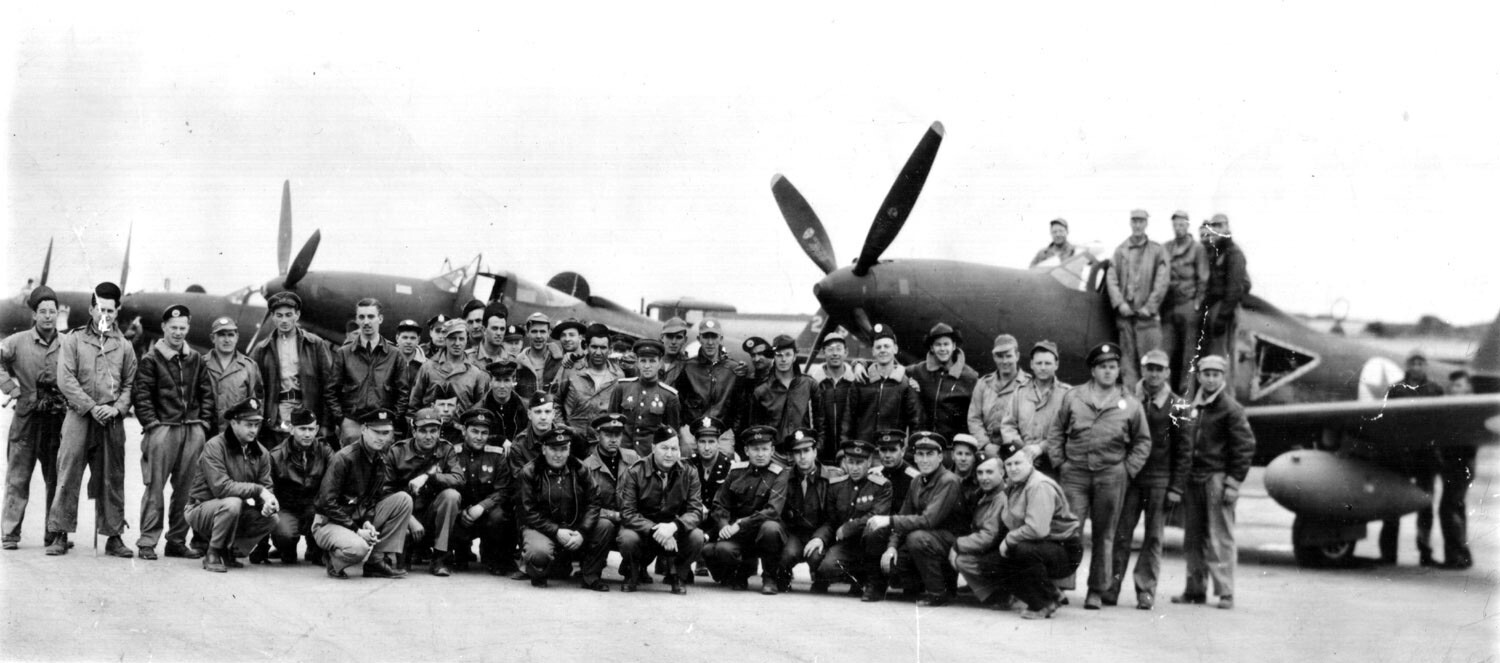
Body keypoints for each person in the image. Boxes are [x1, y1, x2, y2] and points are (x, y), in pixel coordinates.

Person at [1043, 342, 1152, 609]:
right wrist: (1061, 463)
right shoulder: (1074, 397)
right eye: (1102, 367)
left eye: (1112, 367)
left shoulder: (1130, 404)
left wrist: (1127, 469)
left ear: (1118, 371)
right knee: (1070, 530)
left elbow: (1142, 442)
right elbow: (1056, 431)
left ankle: (1096, 590)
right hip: (1075, 474)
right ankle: (1061, 585)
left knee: (1105, 534)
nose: (1108, 372)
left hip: (1111, 475)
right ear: (1093, 370)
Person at [45, 282, 136, 558]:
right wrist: (90, 406)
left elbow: (130, 385)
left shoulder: (125, 346)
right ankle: (59, 533)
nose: (105, 314)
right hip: (79, 417)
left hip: (110, 421)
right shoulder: (72, 340)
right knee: (68, 473)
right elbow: (65, 378)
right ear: (91, 309)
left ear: (117, 311)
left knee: (112, 476)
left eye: (110, 309)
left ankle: (113, 536)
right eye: (100, 308)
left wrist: (118, 408)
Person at [1106, 349, 1190, 609]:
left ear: (1167, 373)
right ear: (1142, 370)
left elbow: (1185, 450)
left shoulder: (1178, 405)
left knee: (1154, 538)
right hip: (1130, 479)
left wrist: (1176, 487)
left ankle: (1146, 590)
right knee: (1121, 535)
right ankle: (1111, 587)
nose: (1154, 374)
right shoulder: (1127, 399)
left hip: (1160, 481)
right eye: (1149, 368)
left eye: (1159, 369)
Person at [133, 304, 216, 560]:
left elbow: (206, 393)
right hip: (163, 430)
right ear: (164, 328)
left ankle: (177, 541)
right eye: (173, 328)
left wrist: (202, 423)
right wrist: (151, 424)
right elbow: (142, 395)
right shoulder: (151, 360)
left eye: (182, 328)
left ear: (188, 328)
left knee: (187, 490)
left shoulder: (195, 359)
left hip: (192, 430)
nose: (178, 333)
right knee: (154, 487)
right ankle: (148, 541)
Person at [1172, 354, 1255, 610]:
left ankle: (1225, 591)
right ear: (1199, 377)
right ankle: (1194, 589)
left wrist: (1233, 483)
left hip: (1217, 478)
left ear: (1223, 377)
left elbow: (1244, 446)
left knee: (1220, 537)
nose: (1210, 379)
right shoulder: (1193, 406)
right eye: (1206, 374)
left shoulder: (1230, 408)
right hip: (1194, 479)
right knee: (1193, 538)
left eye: (1215, 375)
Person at [864, 431, 964, 606]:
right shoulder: (917, 480)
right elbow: (904, 515)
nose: (924, 460)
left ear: (940, 456)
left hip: (949, 541)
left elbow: (928, 520)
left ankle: (938, 593)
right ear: (915, 457)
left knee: (916, 538)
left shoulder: (949, 481)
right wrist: (891, 548)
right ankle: (915, 585)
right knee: (893, 565)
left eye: (930, 454)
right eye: (920, 454)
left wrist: (889, 520)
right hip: (927, 540)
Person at [1, 286, 67, 550]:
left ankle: (53, 534)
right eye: (43, 312)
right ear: (34, 315)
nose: (48, 316)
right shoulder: (17, 342)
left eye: (52, 311)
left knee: (55, 477)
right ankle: (9, 533)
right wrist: (11, 388)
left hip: (56, 419)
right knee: (18, 476)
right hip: (26, 418)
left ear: (57, 314)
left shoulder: (67, 343)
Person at [312, 407, 412, 579]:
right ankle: (334, 562)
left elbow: (373, 499)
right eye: (376, 432)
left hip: (357, 517)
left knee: (403, 500)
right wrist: (357, 530)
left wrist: (367, 522)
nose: (381, 438)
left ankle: (376, 561)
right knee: (358, 548)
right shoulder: (344, 458)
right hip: (329, 522)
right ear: (364, 429)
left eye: (386, 433)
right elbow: (326, 502)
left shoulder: (379, 458)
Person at [183, 397, 279, 573]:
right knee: (232, 502)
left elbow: (266, 487)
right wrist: (259, 491)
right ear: (234, 423)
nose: (253, 430)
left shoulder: (261, 453)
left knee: (272, 518)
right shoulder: (215, 446)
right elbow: (222, 488)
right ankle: (213, 552)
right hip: (200, 508)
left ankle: (229, 551)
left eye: (256, 425)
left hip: (232, 511)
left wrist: (267, 504)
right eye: (248, 425)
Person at [993, 441, 1082, 620]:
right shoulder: (1015, 485)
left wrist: (1009, 539)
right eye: (1008, 464)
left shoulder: (1038, 485)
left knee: (1022, 551)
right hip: (1045, 545)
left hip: (1064, 548)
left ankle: (1044, 603)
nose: (1013, 468)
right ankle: (1052, 593)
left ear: (1030, 461)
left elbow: (1037, 529)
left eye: (1018, 463)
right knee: (997, 562)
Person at [617, 425, 705, 595]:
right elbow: (627, 513)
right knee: (627, 538)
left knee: (697, 536)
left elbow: (696, 511)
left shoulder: (689, 472)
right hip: (644, 531)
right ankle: (632, 572)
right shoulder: (635, 471)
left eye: (674, 449)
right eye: (664, 448)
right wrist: (657, 530)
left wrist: (673, 527)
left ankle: (678, 575)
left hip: (674, 530)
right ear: (653, 448)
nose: (669, 454)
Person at [517, 428, 609, 590]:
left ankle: (590, 576)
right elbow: (528, 512)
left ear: (569, 450)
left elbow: (594, 502)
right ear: (544, 449)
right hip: (542, 529)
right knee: (539, 552)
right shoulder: (530, 472)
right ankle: (538, 572)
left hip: (575, 529)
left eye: (563, 449)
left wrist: (582, 532)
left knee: (605, 526)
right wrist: (556, 531)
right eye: (553, 449)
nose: (558, 455)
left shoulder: (581, 469)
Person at [702, 425, 789, 594]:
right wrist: (724, 525)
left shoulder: (779, 474)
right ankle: (740, 573)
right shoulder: (736, 471)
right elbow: (719, 504)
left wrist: (740, 524)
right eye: (755, 449)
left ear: (772, 451)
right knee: (720, 550)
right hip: (739, 535)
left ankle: (769, 577)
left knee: (770, 528)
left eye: (765, 449)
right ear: (746, 450)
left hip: (763, 534)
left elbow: (772, 510)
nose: (760, 454)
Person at [1378, 349, 1445, 566]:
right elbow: (1386, 420)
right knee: (1392, 505)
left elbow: (1442, 421)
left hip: (1425, 455)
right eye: (1413, 362)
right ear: (1407, 365)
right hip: (1399, 456)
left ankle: (1425, 553)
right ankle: (1388, 555)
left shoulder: (1436, 390)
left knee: (1425, 507)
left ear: (1426, 366)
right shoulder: (1396, 389)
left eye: (1421, 362)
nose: (1417, 366)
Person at [384, 406, 462, 572]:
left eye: (433, 430)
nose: (429, 436)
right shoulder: (397, 452)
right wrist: (409, 519)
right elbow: (385, 491)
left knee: (451, 496)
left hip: (432, 515)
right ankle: (406, 551)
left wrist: (430, 477)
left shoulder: (446, 450)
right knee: (401, 568)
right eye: (423, 431)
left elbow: (459, 478)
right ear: (413, 431)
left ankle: (440, 557)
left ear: (439, 431)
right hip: (405, 518)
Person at [248, 291, 334, 441]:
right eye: (279, 315)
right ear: (273, 317)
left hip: (307, 413)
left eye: (289, 315)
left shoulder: (315, 344)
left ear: (297, 315)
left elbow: (329, 385)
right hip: (276, 416)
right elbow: (253, 388)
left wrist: (327, 424)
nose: (284, 320)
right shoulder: (262, 349)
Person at [812, 439, 892, 595]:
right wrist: (820, 538)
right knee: (827, 567)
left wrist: (850, 527)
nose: (854, 468)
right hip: (848, 545)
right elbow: (831, 520)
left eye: (860, 462)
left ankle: (873, 583)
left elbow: (877, 515)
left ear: (869, 462)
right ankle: (856, 577)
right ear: (845, 463)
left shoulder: (882, 485)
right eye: (851, 462)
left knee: (874, 531)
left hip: (871, 542)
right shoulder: (836, 485)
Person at [446, 407, 516, 576]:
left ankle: (494, 557)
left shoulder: (497, 455)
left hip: (485, 513)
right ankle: (458, 553)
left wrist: (481, 507)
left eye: (484, 433)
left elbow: (503, 490)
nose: (479, 437)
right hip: (460, 514)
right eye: (474, 431)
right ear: (464, 431)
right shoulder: (453, 454)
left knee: (499, 516)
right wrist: (463, 511)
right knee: (448, 506)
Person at [329, 299, 405, 448]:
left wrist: (393, 419)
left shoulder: (395, 354)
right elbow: (331, 391)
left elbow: (403, 392)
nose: (366, 322)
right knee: (352, 469)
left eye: (371, 317)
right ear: (357, 319)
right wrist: (342, 420)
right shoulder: (344, 353)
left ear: (380, 319)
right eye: (362, 317)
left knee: (383, 469)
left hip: (383, 424)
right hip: (353, 424)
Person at [1106, 209, 1170, 385]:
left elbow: (1162, 280)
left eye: (1141, 221)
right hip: (1126, 318)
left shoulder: (1157, 251)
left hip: (1147, 319)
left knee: (1153, 363)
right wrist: (1120, 304)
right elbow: (1111, 279)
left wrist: (1149, 308)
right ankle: (1133, 406)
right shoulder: (1120, 251)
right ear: (1130, 223)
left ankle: (1155, 408)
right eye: (1134, 221)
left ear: (1146, 223)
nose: (1137, 225)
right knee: (1127, 364)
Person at [776, 428, 842, 593]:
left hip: (820, 532)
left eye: (806, 451)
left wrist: (820, 538)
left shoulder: (832, 477)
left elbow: (834, 518)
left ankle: (820, 579)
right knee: (787, 555)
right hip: (796, 533)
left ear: (815, 451)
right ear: (792, 455)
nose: (802, 457)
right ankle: (783, 576)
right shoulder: (785, 477)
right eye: (797, 452)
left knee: (817, 557)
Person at [266, 407, 331, 565]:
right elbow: (266, 491)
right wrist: (262, 547)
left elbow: (334, 484)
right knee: (284, 535)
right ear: (291, 429)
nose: (307, 434)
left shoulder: (325, 452)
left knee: (319, 552)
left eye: (311, 429)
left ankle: (314, 547)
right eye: (302, 429)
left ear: (316, 429)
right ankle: (286, 549)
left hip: (313, 508)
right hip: (287, 509)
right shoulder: (276, 455)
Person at [582, 413, 639, 580]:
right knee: (604, 525)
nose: (613, 439)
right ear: (598, 435)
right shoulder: (587, 466)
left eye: (617, 434)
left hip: (627, 520)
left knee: (634, 534)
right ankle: (592, 572)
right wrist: (613, 515)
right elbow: (585, 507)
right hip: (600, 524)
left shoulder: (633, 459)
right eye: (608, 435)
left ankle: (634, 567)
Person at [950, 457, 1012, 608]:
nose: (984, 477)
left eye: (989, 472)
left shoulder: (1001, 497)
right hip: (994, 548)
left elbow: (988, 536)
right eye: (980, 473)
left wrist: (957, 545)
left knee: (963, 560)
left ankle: (998, 595)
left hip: (1003, 551)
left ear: (1002, 473)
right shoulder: (984, 494)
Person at [845, 324, 923, 443]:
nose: (882, 350)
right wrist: (844, 448)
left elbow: (916, 422)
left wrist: (910, 454)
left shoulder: (905, 384)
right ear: (873, 351)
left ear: (895, 349)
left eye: (887, 346)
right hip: (864, 450)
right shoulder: (861, 381)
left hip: (891, 450)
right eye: (878, 347)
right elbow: (848, 420)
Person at [1002, 340, 1072, 471]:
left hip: (1055, 464)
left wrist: (1041, 448)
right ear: (1031, 364)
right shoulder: (1020, 392)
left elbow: (1070, 431)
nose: (1043, 367)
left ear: (1056, 365)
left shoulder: (1067, 394)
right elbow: (1008, 425)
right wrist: (1022, 449)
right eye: (1039, 363)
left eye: (1048, 363)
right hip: (1023, 461)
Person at [677, 317, 743, 454]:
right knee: (687, 468)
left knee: (725, 466)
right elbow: (679, 400)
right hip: (692, 432)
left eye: (714, 337)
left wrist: (732, 430)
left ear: (721, 338)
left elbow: (740, 405)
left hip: (722, 432)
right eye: (706, 337)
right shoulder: (688, 367)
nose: (710, 342)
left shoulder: (733, 369)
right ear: (699, 338)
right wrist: (683, 427)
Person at [1161, 210, 1210, 394]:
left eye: (1182, 224)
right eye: (1176, 225)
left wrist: (1197, 303)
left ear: (1187, 225)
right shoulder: (1166, 247)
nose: (1179, 228)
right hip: (1169, 306)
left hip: (1188, 305)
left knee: (1188, 355)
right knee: (1165, 350)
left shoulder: (1197, 249)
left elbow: (1203, 278)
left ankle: (1186, 395)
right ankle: (1164, 394)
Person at [608, 339, 683, 457]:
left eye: (652, 361)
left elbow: (672, 435)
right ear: (637, 363)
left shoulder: (669, 396)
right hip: (621, 455)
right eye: (643, 361)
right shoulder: (622, 387)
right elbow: (610, 424)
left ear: (660, 363)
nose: (647, 366)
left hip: (650, 458)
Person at [906, 323, 978, 444]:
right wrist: (863, 364)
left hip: (955, 446)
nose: (942, 349)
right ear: (931, 348)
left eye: (946, 344)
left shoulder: (970, 377)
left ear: (954, 346)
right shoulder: (919, 370)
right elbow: (893, 369)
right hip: (927, 444)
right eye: (938, 345)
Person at [749, 334, 819, 453]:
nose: (783, 359)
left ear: (795, 357)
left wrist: (817, 449)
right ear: (773, 357)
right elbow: (755, 428)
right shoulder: (761, 391)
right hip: (774, 454)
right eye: (779, 355)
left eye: (788, 354)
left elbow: (820, 423)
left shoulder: (809, 385)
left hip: (803, 450)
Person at [555, 324, 623, 445]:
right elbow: (556, 402)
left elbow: (620, 412)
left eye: (603, 348)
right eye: (594, 347)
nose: (598, 352)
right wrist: (562, 430)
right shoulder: (571, 369)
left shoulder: (618, 376)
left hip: (602, 444)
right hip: (572, 442)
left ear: (610, 349)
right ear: (586, 346)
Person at [406, 319, 490, 415]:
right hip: (431, 427)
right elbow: (413, 407)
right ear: (445, 339)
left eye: (461, 339)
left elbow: (480, 409)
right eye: (453, 338)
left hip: (461, 428)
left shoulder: (475, 373)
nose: (457, 343)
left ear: (467, 339)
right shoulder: (428, 368)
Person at [1438, 370, 1476, 569]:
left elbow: (1469, 442)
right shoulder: (1458, 407)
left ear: (1468, 388)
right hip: (1455, 465)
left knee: (1449, 509)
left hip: (1461, 465)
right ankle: (1461, 555)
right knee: (1455, 508)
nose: (1455, 390)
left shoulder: (1467, 409)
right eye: (1453, 386)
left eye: (1459, 386)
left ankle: (1457, 557)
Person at [1199, 214, 1251, 359]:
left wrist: (1222, 316)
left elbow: (1234, 288)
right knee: (1211, 352)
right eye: (1213, 226)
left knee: (1219, 355)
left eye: (1220, 226)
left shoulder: (1234, 253)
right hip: (1214, 307)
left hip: (1225, 310)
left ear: (1227, 228)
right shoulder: (1216, 252)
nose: (1216, 230)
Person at [968, 333, 1029, 453]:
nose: (1004, 361)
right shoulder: (983, 383)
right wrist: (986, 445)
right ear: (994, 357)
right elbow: (974, 419)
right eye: (1000, 356)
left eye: (1009, 356)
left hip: (1019, 450)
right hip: (988, 449)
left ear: (1017, 356)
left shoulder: (1029, 384)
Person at [203, 315, 262, 434]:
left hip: (238, 435)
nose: (227, 340)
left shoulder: (249, 366)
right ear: (212, 338)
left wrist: (251, 433)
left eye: (230, 335)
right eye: (221, 335)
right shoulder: (201, 364)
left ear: (237, 337)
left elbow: (257, 404)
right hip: (207, 434)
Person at [807, 329, 858, 463]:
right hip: (821, 454)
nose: (835, 353)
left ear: (846, 352)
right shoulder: (814, 384)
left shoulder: (855, 383)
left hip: (849, 455)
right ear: (823, 353)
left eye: (838, 349)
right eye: (830, 349)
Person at [476, 360, 527, 445]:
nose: (502, 386)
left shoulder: (525, 407)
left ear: (513, 381)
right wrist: (498, 440)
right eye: (498, 380)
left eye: (506, 380)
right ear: (490, 382)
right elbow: (473, 437)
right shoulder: (480, 409)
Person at [515, 312, 563, 400]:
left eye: (542, 331)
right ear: (527, 333)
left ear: (548, 333)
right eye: (534, 331)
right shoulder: (519, 362)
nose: (538, 336)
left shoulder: (559, 361)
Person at [872, 429, 921, 509]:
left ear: (902, 451)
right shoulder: (874, 474)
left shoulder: (915, 478)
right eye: (883, 450)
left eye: (892, 450)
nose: (887, 455)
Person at [467, 303, 510, 368]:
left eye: (502, 329)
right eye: (494, 328)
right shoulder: (467, 358)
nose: (499, 333)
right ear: (484, 330)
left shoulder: (511, 360)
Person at [393, 318, 427, 397]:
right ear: (397, 338)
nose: (408, 342)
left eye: (412, 338)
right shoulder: (388, 361)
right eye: (405, 337)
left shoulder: (426, 366)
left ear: (418, 340)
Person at [658, 317, 691, 388]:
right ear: (662, 338)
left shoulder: (688, 367)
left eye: (678, 337)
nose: (673, 342)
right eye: (669, 337)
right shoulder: (650, 361)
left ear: (685, 340)